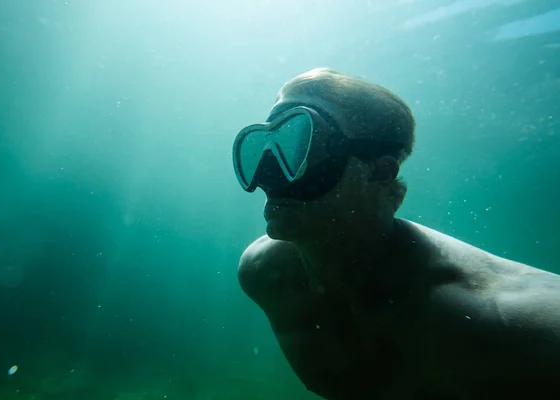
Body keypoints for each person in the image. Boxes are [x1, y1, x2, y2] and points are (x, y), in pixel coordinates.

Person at [231, 68, 560, 399]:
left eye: (302, 144)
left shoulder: (514, 327)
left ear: (381, 171)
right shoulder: (266, 275)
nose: (268, 174)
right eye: (265, 145)